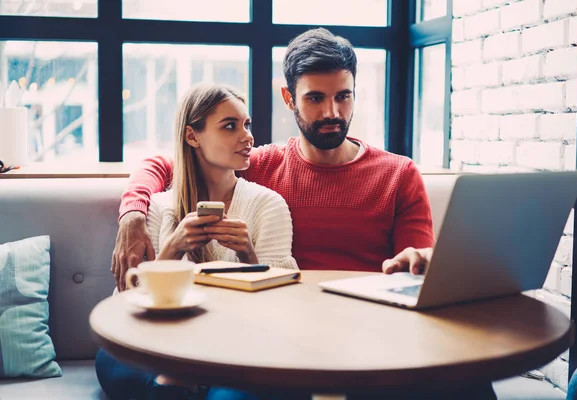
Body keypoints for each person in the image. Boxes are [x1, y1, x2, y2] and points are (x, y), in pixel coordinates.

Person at [110, 28, 497, 399]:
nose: (332, 111)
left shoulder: (399, 174)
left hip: (373, 334)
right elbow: (166, 163)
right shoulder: (257, 164)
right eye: (315, 98)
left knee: (473, 385)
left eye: (343, 96)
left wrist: (421, 263)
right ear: (288, 98)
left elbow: (415, 269)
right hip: (286, 336)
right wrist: (132, 214)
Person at [96, 84, 298, 400]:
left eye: (247, 124)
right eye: (230, 126)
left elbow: (281, 307)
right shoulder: (161, 207)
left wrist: (248, 255)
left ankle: (183, 384)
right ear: (193, 136)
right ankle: (179, 380)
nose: (247, 137)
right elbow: (129, 301)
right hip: (165, 341)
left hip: (236, 346)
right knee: (112, 363)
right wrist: (172, 249)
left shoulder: (268, 205)